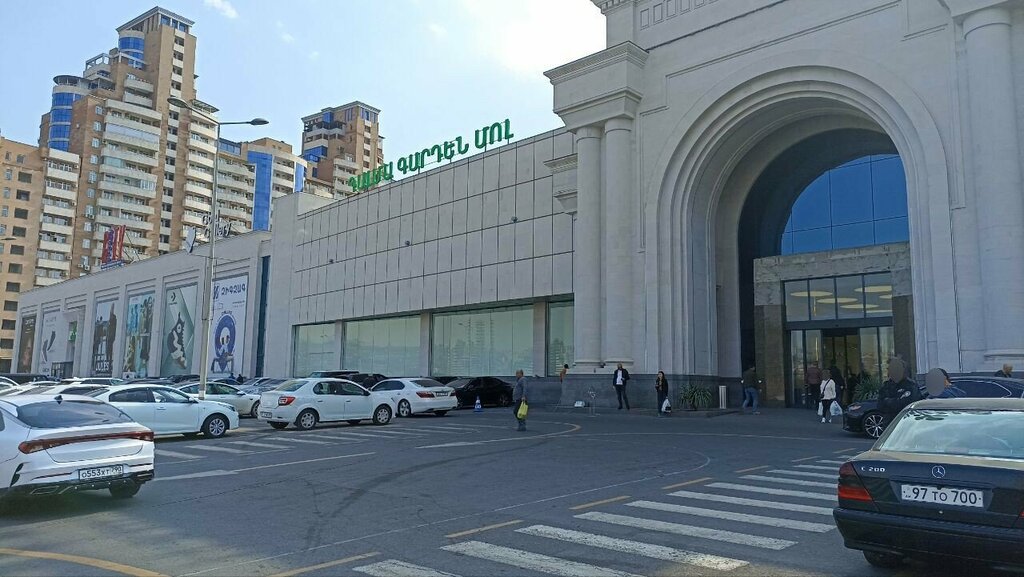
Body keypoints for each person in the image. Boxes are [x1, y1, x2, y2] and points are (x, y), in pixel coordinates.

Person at [877, 357, 921, 426]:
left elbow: (907, 405)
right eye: (889, 369)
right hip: (889, 424)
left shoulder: (910, 385)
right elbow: (880, 406)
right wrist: (895, 401)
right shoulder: (886, 386)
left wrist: (888, 401)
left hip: (906, 424)